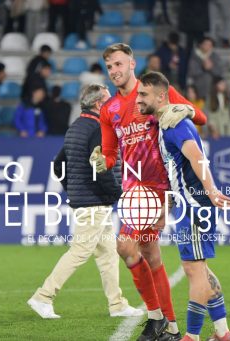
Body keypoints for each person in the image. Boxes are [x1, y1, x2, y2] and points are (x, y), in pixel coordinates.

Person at [90, 43, 207, 341]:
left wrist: (187, 109)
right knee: (149, 254)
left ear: (132, 63)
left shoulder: (152, 91)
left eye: (118, 64)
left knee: (125, 246)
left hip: (158, 188)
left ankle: (156, 318)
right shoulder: (109, 110)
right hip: (133, 190)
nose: (114, 71)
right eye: (109, 67)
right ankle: (169, 326)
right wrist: (103, 160)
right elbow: (111, 152)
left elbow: (201, 119)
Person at [27, 83, 143, 319]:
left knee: (108, 253)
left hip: (88, 200)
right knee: (80, 250)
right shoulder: (98, 128)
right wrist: (114, 194)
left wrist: (73, 190)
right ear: (99, 104)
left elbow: (58, 164)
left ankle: (117, 304)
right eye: (109, 100)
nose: (113, 104)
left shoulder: (76, 127)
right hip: (95, 202)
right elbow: (100, 167)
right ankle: (43, 296)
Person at [136, 71, 230, 341]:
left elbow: (196, 157)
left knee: (193, 270)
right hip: (187, 203)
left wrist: (212, 191)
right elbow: (174, 175)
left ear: (161, 96)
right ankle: (222, 333)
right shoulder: (164, 124)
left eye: (143, 94)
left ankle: (191, 336)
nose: (138, 99)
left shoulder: (174, 124)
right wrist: (164, 213)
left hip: (194, 202)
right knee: (200, 269)